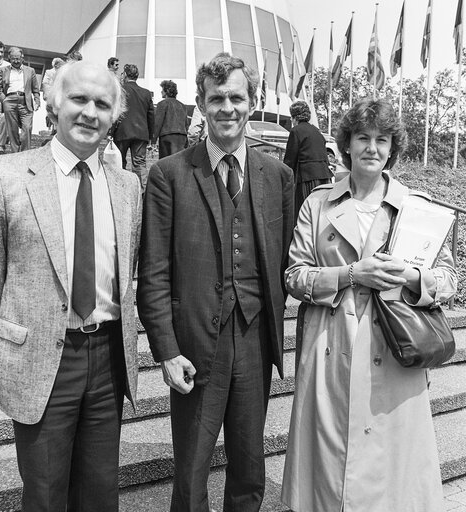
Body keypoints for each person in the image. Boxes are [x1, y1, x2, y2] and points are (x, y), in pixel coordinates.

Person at [0, 60, 141, 512]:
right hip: (44, 358)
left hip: (107, 361)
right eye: (79, 99)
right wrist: (28, 326)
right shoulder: (5, 176)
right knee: (44, 496)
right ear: (53, 102)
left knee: (101, 493)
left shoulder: (128, 187)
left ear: (114, 116)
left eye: (102, 104)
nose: (89, 113)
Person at [281, 98, 457, 512]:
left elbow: (449, 279)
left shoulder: (418, 205)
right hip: (331, 349)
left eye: (383, 139)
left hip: (395, 352)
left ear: (393, 147)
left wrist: (413, 277)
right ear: (347, 144)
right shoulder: (317, 204)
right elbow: (293, 276)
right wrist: (350, 275)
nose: (372, 148)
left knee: (388, 479)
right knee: (327, 475)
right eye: (363, 137)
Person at [137, 52, 294, 511]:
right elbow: (154, 274)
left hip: (255, 337)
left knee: (250, 463)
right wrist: (166, 350)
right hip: (193, 343)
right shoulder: (168, 174)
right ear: (201, 105)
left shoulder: (278, 175)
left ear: (253, 101)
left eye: (237, 97)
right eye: (217, 98)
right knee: (191, 469)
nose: (228, 108)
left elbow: (284, 257)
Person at [283, 100, 333, 223]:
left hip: (307, 178)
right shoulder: (316, 131)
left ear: (294, 117)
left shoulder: (296, 131)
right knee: (321, 212)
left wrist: (283, 177)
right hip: (324, 177)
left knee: (305, 213)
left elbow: (290, 159)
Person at [110, 63, 154, 192]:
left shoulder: (120, 90)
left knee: (120, 162)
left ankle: (121, 189)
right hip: (141, 132)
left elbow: (115, 112)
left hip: (122, 131)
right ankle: (142, 192)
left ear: (125, 74)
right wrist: (151, 136)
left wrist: (111, 131)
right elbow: (151, 116)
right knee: (139, 164)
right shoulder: (146, 93)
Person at [0, 47, 40, 153]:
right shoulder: (3, 70)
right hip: (10, 100)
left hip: (26, 101)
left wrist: (37, 101)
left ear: (22, 58)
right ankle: (15, 152)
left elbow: (35, 89)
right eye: (13, 59)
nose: (16, 61)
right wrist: (5, 101)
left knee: (27, 127)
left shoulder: (30, 71)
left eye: (18, 58)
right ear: (9, 59)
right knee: (12, 129)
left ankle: (25, 153)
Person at [152, 80, 187, 158]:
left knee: (165, 162)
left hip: (167, 136)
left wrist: (153, 140)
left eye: (162, 90)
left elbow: (158, 123)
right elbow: (186, 124)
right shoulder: (182, 106)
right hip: (182, 136)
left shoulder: (162, 104)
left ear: (166, 91)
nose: (161, 92)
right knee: (178, 161)